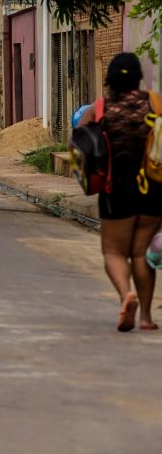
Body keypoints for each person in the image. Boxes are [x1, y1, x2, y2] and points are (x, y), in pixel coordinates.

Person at [77, 52, 162, 331]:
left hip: (116, 190)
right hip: (153, 190)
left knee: (114, 252)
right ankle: (147, 318)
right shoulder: (156, 102)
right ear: (139, 77)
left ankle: (127, 295)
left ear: (109, 79)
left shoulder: (99, 109)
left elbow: (79, 142)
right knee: (141, 254)